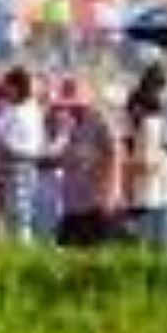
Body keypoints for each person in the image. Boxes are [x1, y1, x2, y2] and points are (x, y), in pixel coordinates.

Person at [54, 80, 122, 248]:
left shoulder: (100, 120)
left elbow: (115, 155)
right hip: (74, 201)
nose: (70, 108)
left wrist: (110, 192)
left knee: (93, 250)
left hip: (95, 201)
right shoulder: (71, 123)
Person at [125, 66, 167, 251]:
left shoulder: (149, 124)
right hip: (162, 196)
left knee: (150, 256)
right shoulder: (160, 122)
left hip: (150, 198)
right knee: (166, 256)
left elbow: (147, 163)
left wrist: (126, 166)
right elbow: (150, 163)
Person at [0, 67, 47, 244]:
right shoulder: (13, 109)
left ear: (17, 87)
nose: (6, 91)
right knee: (11, 215)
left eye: (8, 86)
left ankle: (23, 250)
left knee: (20, 214)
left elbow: (27, 144)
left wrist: (5, 145)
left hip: (20, 165)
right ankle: (14, 249)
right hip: (10, 166)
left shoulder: (27, 111)